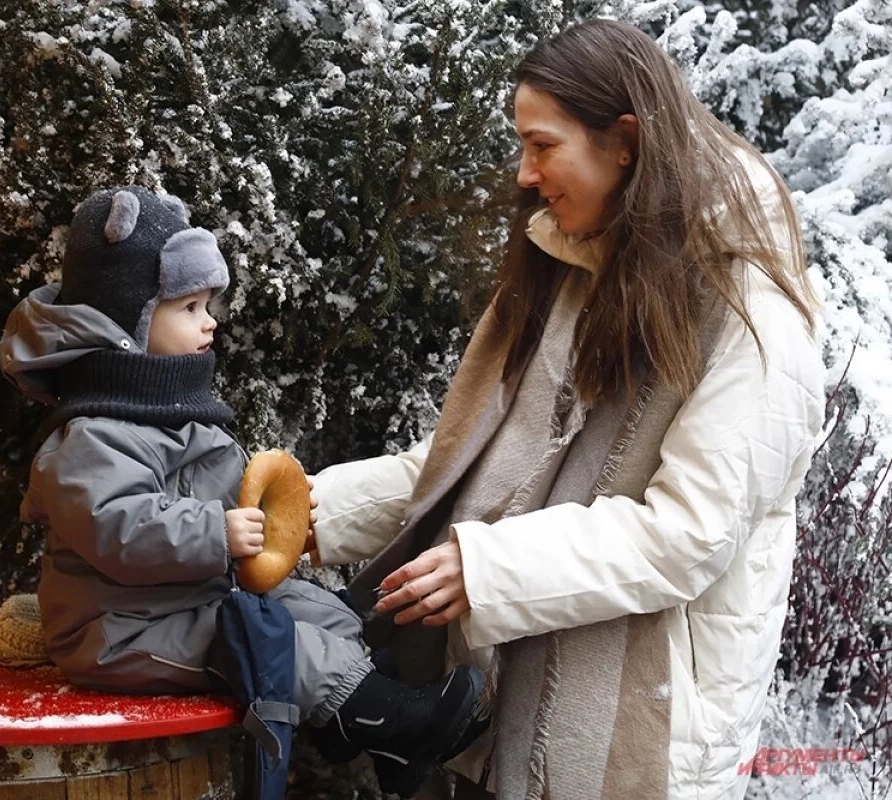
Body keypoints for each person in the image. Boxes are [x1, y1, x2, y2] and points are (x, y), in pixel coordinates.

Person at [308, 19, 825, 800]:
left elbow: (686, 535)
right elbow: (465, 460)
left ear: (624, 142)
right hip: (506, 697)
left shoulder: (752, 313)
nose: (524, 174)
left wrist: (489, 567)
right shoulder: (578, 271)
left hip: (641, 738)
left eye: (542, 145)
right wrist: (309, 512)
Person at [0, 186, 488, 798]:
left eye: (209, 304)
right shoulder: (91, 436)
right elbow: (116, 525)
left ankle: (371, 725)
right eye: (190, 307)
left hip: (190, 599)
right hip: (120, 631)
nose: (211, 322)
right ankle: (390, 718)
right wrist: (215, 530)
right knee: (273, 641)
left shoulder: (179, 411)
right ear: (129, 325)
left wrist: (278, 514)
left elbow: (232, 490)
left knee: (322, 611)